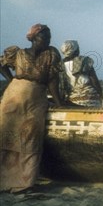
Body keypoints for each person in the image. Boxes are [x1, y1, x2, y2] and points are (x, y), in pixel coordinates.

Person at [0, 24, 64, 193]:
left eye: (50, 37)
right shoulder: (18, 53)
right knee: (7, 137)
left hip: (36, 98)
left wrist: (60, 103)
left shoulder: (51, 54)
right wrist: (11, 80)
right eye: (45, 37)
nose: (49, 40)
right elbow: (1, 64)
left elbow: (52, 81)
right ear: (34, 38)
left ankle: (25, 183)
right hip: (13, 97)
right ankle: (4, 181)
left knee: (31, 139)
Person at [60, 40, 103, 107]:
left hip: (73, 100)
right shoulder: (84, 61)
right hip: (89, 97)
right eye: (78, 48)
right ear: (75, 50)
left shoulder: (60, 65)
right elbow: (95, 81)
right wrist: (101, 96)